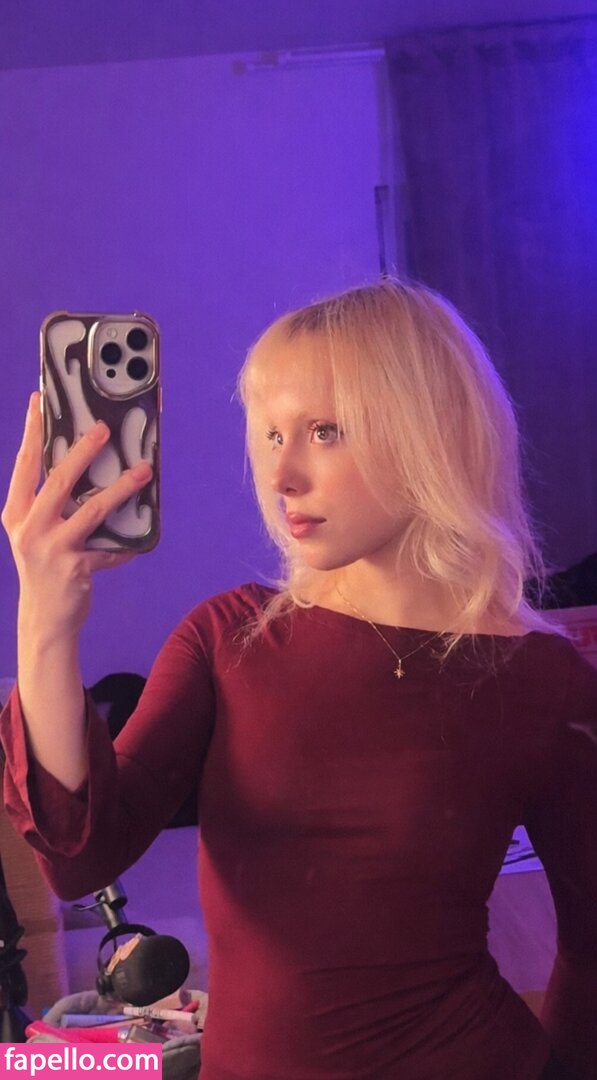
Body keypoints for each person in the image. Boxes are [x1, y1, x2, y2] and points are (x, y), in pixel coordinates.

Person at [1, 279, 596, 1080]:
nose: (281, 474)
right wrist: (44, 617)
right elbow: (80, 858)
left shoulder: (544, 680)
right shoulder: (228, 638)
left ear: (433, 430)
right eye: (271, 434)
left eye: (325, 431)